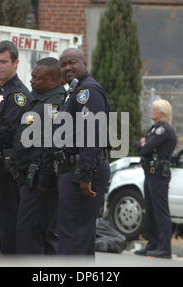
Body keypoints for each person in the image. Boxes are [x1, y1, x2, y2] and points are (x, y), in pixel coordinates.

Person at [56, 48, 110, 255]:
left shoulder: (88, 91)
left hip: (84, 169)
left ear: (84, 62)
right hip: (76, 168)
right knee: (79, 233)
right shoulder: (75, 91)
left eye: (72, 63)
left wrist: (85, 175)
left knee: (73, 233)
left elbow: (91, 133)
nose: (68, 67)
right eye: (63, 65)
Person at [10, 57, 66, 254]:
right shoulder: (39, 99)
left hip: (40, 184)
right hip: (28, 179)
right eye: (32, 76)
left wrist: (43, 181)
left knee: (30, 236)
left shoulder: (54, 105)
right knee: (39, 235)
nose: (31, 80)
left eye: (37, 78)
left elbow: (53, 146)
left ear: (53, 80)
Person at [0, 40, 33, 254]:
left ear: (16, 63)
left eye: (3, 61)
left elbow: (10, 133)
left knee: (7, 229)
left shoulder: (19, 96)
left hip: (7, 172)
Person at [134, 99, 177, 259]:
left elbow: (145, 149)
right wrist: (143, 144)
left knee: (160, 211)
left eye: (154, 110)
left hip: (159, 175)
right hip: (150, 173)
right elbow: (139, 144)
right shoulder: (154, 129)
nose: (151, 112)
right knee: (150, 210)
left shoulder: (163, 130)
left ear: (161, 113)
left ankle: (164, 248)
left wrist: (144, 144)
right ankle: (152, 244)